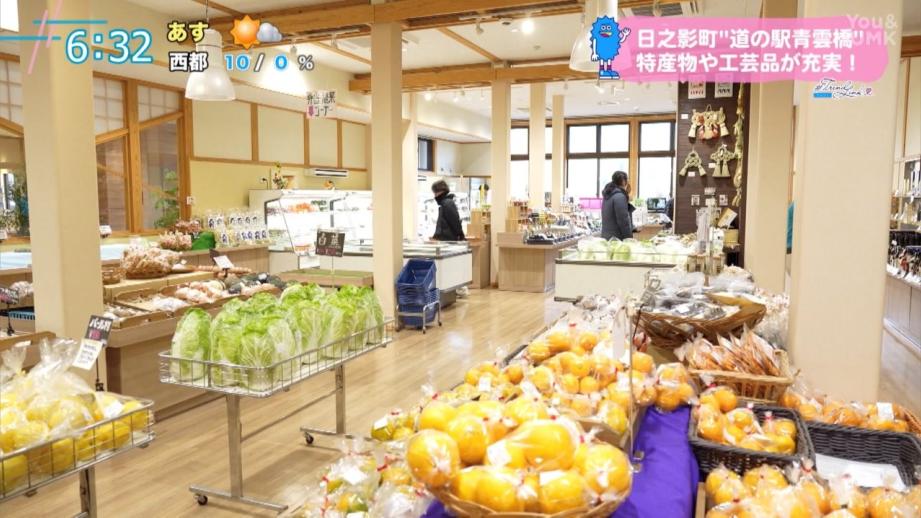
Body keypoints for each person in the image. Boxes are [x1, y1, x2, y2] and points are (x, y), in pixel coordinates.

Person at [601, 171, 633, 240]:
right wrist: (629, 239)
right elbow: (623, 221)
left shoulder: (608, 194)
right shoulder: (619, 196)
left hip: (606, 236)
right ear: (623, 181)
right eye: (627, 180)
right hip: (617, 239)